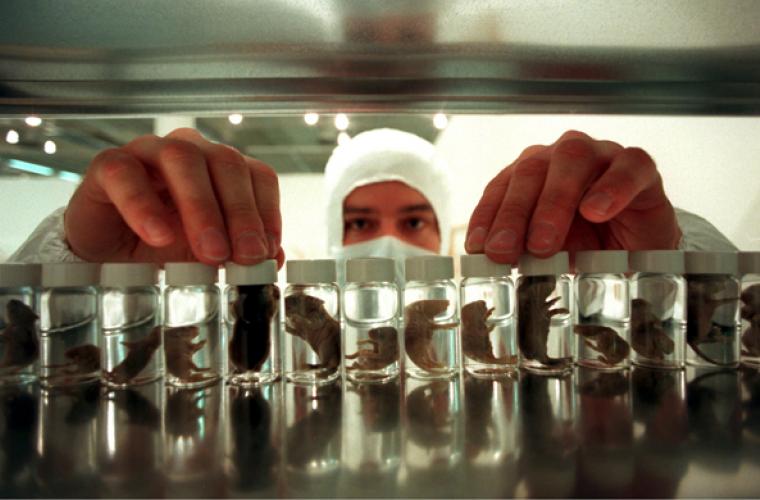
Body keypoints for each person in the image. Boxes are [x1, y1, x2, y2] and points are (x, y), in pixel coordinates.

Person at [10, 126, 736, 266]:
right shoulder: (267, 350)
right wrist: (84, 283)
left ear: (451, 232)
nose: (387, 242)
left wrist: (669, 274)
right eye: (359, 222)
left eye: (414, 220)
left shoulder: (502, 345)